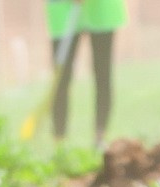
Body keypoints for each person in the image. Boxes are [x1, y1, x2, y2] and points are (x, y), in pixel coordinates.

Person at [44, 0, 122, 145]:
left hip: (101, 10)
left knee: (103, 76)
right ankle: (59, 142)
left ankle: (100, 138)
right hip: (63, 10)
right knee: (61, 80)